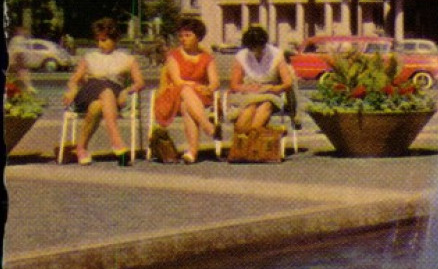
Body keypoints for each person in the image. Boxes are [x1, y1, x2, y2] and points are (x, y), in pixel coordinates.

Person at [61, 17, 145, 165]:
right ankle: (117, 141)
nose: (101, 44)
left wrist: (127, 91)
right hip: (89, 91)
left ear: (115, 39)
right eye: (98, 40)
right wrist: (72, 90)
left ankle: (81, 148)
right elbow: (74, 80)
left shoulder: (127, 59)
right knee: (105, 90)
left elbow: (140, 82)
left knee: (98, 106)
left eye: (105, 40)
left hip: (113, 95)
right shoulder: (90, 57)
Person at [154, 17, 221, 163]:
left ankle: (192, 152)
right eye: (181, 36)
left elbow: (215, 82)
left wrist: (209, 88)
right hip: (173, 95)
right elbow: (177, 81)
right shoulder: (173, 56)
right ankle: (207, 126)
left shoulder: (206, 58)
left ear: (198, 37)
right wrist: (195, 85)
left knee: (186, 105)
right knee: (184, 90)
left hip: (198, 98)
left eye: (188, 35)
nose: (183, 39)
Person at [228, 25, 295, 136]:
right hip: (249, 95)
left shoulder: (276, 54)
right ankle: (263, 133)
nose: (256, 52)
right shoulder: (241, 56)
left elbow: (288, 83)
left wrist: (271, 88)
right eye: (252, 49)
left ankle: (255, 137)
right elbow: (234, 85)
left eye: (259, 48)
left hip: (270, 95)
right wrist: (249, 88)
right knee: (248, 112)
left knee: (265, 106)